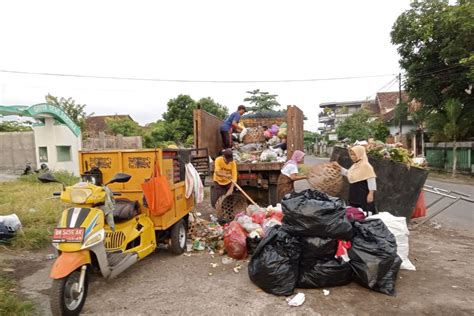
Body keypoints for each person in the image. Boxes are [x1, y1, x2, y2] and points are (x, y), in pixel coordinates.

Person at [338, 145, 377, 214]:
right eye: (351, 154)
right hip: (354, 192)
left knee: (364, 211)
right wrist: (339, 168)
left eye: (354, 154)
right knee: (354, 211)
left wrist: (371, 194)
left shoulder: (366, 166)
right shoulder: (355, 165)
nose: (352, 157)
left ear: (360, 154)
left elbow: (371, 179)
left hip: (363, 193)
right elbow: (348, 173)